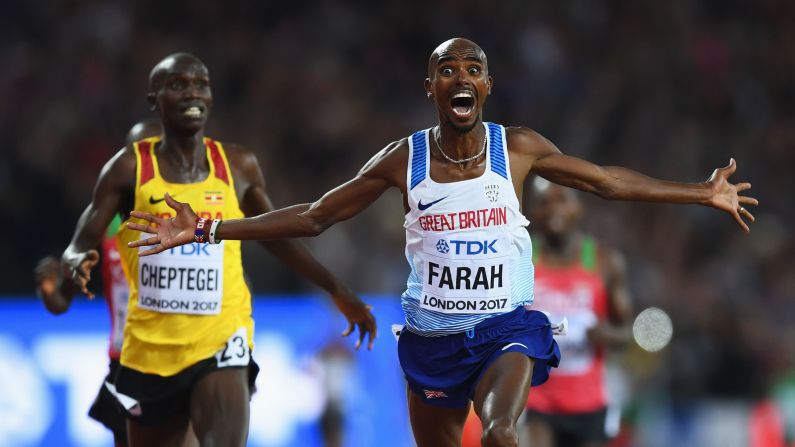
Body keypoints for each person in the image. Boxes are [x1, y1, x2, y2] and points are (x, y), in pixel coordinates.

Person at [127, 38, 757, 447]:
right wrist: (210, 226)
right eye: (447, 70)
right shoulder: (405, 159)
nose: (462, 77)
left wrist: (699, 192)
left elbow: (609, 183)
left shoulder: (519, 148)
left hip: (505, 327)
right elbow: (317, 216)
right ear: (431, 88)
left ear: (486, 87)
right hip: (432, 338)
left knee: (504, 434)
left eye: (473, 70)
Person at [57, 53, 376, 447]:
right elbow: (79, 244)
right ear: (154, 99)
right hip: (149, 351)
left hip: (223, 340)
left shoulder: (237, 165)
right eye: (178, 85)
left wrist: (335, 288)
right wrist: (75, 260)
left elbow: (274, 235)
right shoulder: (128, 169)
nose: (193, 92)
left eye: (200, 84)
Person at [35, 119, 163, 447]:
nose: (145, 168)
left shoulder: (193, 216)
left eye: (155, 157)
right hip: (127, 363)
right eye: (135, 158)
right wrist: (50, 286)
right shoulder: (104, 222)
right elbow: (61, 301)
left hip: (186, 357)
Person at [521, 179, 633, 447]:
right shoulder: (521, 261)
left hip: (588, 404)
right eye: (544, 202)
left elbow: (626, 334)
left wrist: (606, 334)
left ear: (578, 208)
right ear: (533, 212)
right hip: (537, 401)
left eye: (562, 200)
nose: (553, 210)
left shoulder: (605, 263)